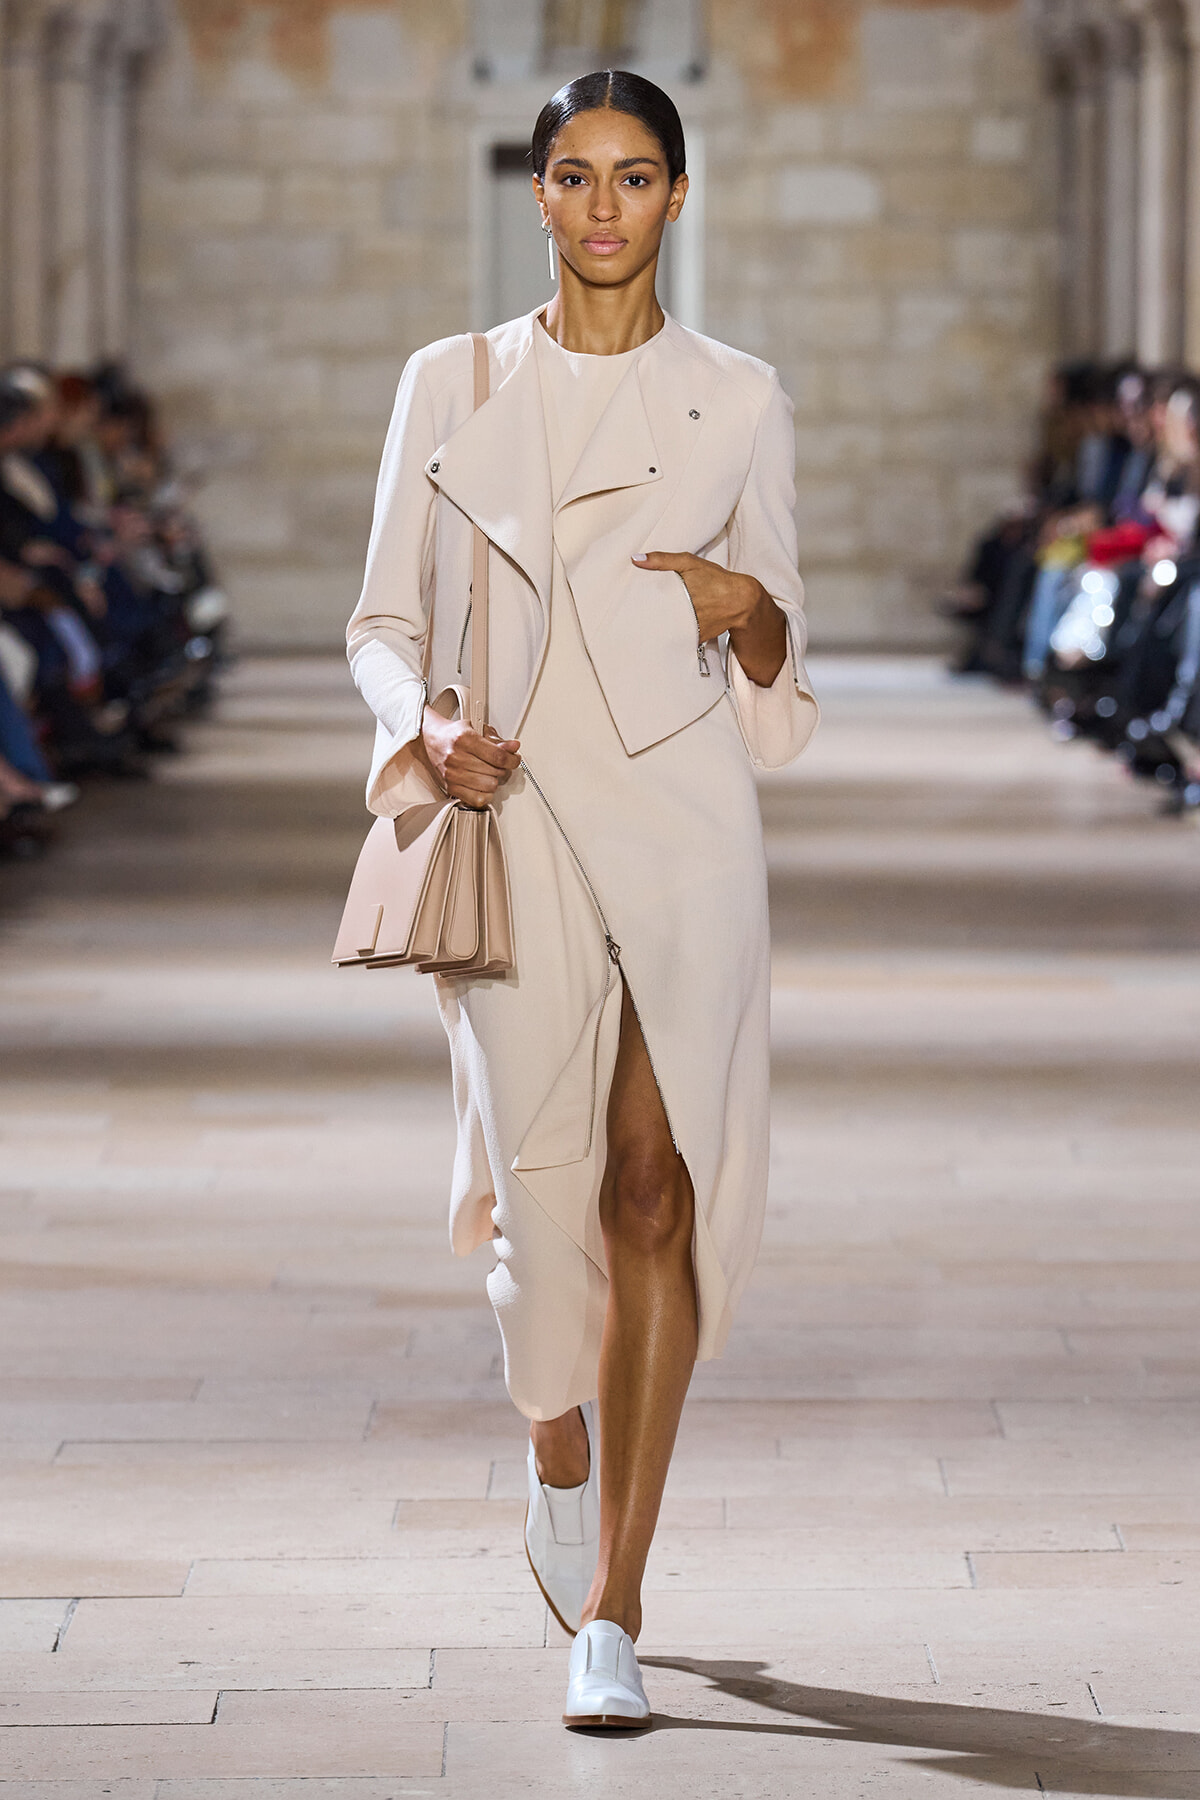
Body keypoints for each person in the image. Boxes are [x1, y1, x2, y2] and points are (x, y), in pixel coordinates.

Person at [346, 69, 819, 1729]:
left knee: (649, 1189)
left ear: (679, 198)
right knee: (547, 1218)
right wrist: (423, 728)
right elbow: (380, 621)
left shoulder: (741, 397)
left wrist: (738, 596)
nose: (604, 203)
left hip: (688, 823)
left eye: (635, 175)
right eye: (573, 174)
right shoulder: (450, 381)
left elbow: (779, 656)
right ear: (535, 195)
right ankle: (553, 1429)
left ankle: (616, 1603)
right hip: (518, 813)